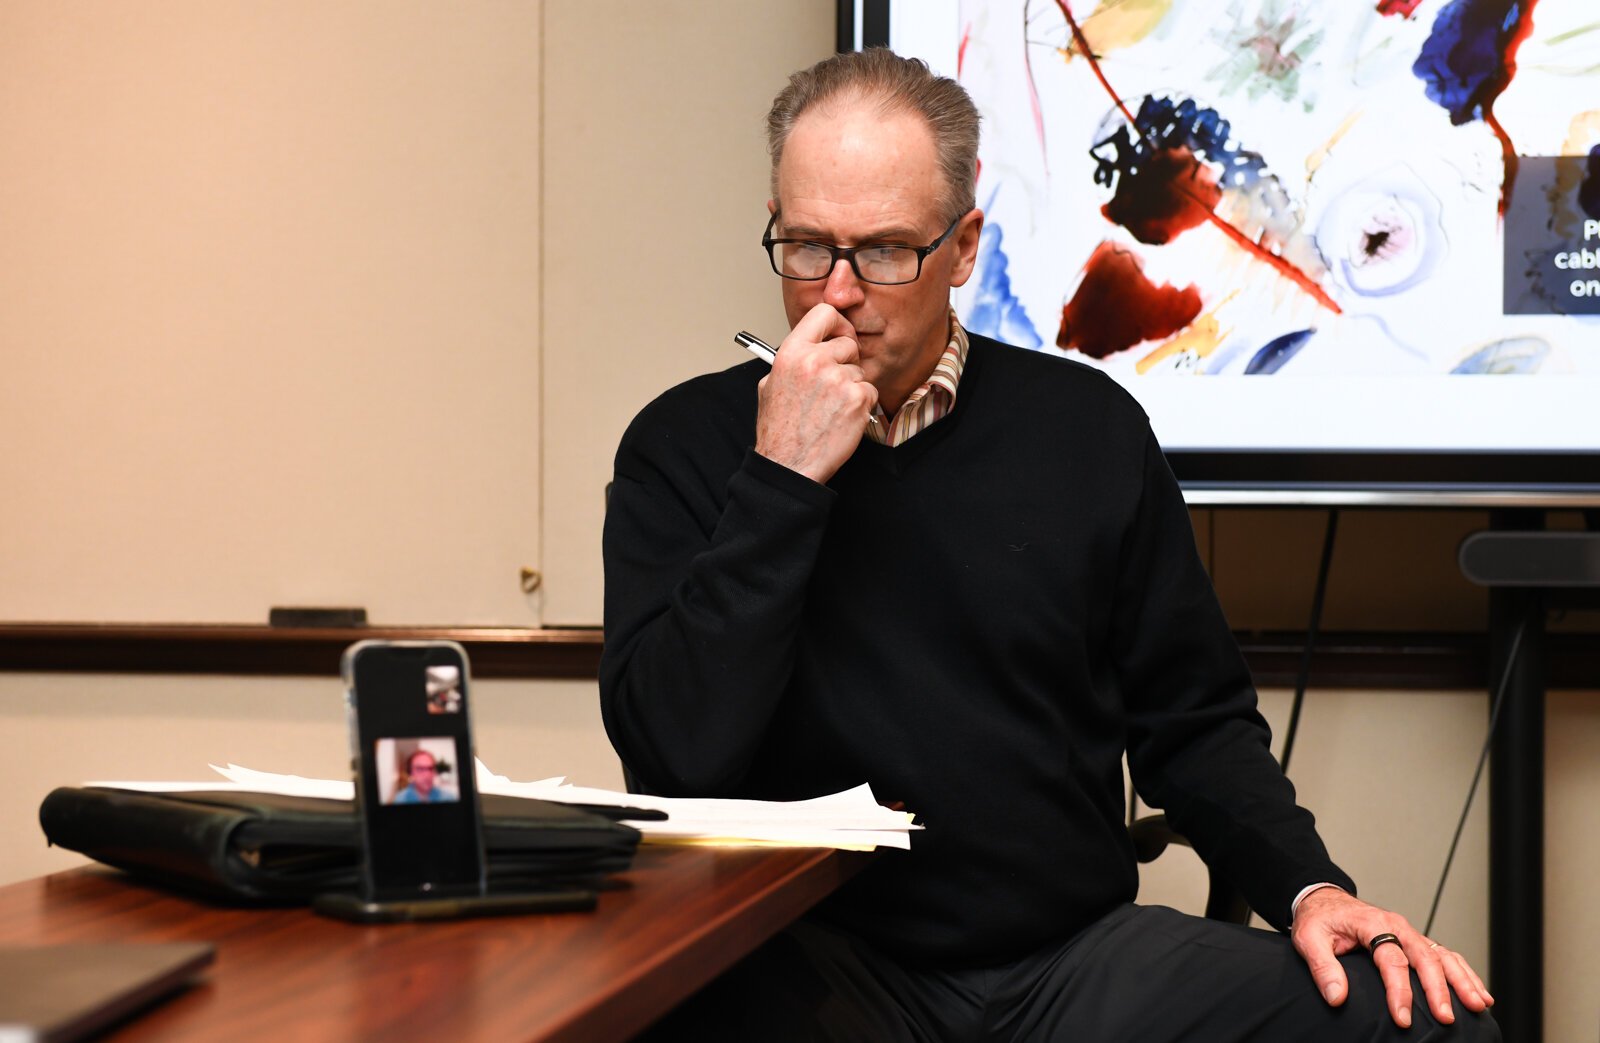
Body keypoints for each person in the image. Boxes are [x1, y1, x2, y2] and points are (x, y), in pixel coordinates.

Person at [600, 48, 1498, 1041]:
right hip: (815, 963)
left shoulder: (1085, 427)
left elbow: (1192, 719)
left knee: (1419, 1022)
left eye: (885, 251)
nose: (839, 292)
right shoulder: (680, 447)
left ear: (966, 246)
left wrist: (1307, 887)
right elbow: (671, 756)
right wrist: (780, 481)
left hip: (1072, 960)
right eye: (808, 247)